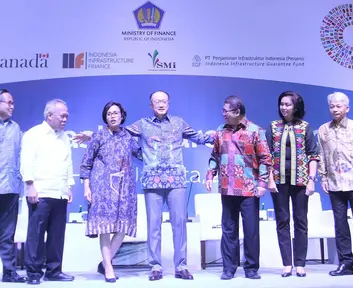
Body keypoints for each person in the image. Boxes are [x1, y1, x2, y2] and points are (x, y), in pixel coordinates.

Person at [74, 90, 213, 281]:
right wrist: (92, 135)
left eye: (164, 101)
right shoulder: (141, 125)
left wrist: (220, 136)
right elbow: (115, 131)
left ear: (169, 103)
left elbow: (198, 137)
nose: (161, 104)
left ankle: (181, 266)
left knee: (179, 224)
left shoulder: (179, 122)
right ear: (151, 105)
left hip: (177, 181)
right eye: (157, 102)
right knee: (153, 226)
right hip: (152, 181)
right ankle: (155, 266)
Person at [206, 95, 272, 280]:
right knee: (228, 229)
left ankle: (251, 268)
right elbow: (215, 156)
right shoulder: (221, 131)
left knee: (251, 230)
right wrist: (210, 174)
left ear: (237, 112)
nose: (223, 114)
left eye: (226, 111)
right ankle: (229, 268)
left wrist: (262, 183)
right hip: (227, 188)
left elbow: (266, 159)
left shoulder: (255, 131)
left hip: (249, 189)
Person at [80, 101, 141, 283]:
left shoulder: (128, 137)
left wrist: (154, 141)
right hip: (102, 188)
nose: (113, 116)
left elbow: (141, 153)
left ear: (122, 116)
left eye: (116, 113)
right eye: (109, 113)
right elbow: (86, 163)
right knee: (104, 229)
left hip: (125, 189)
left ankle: (105, 262)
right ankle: (108, 267)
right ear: (105, 117)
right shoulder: (98, 136)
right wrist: (86, 186)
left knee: (122, 228)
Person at [318, 92, 353, 277]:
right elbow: (321, 155)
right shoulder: (323, 130)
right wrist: (323, 178)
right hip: (335, 184)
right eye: (332, 106)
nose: (334, 109)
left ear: (347, 108)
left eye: (338, 106)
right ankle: (346, 264)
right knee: (340, 225)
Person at [20, 99, 75, 285]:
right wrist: (30, 186)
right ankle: (33, 273)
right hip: (40, 192)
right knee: (36, 234)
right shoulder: (33, 134)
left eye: (67, 115)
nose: (65, 119)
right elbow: (27, 161)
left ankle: (54, 270)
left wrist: (69, 186)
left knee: (57, 234)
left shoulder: (64, 137)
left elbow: (68, 163)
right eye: (62, 115)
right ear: (49, 115)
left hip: (59, 192)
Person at [266, 91, 319, 277]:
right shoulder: (273, 127)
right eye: (282, 104)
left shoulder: (305, 127)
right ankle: (287, 263)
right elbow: (266, 156)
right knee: (282, 222)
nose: (284, 107)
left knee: (301, 222)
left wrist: (311, 181)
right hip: (279, 182)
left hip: (301, 181)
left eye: (288, 104)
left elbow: (313, 155)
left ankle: (300, 263)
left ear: (296, 106)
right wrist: (269, 179)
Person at [0, 89, 27, 283]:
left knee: (8, 234)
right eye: (8, 102)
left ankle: (8, 272)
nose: (11, 106)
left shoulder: (16, 127)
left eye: (12, 103)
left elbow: (20, 157)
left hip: (10, 188)